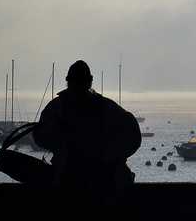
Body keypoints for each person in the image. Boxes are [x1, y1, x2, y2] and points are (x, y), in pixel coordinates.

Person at [33, 60, 142, 201]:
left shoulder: (106, 108)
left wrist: (109, 159)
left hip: (103, 183)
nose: (78, 90)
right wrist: (56, 128)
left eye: (80, 84)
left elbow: (132, 135)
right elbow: (40, 137)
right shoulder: (57, 109)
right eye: (76, 84)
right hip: (73, 182)